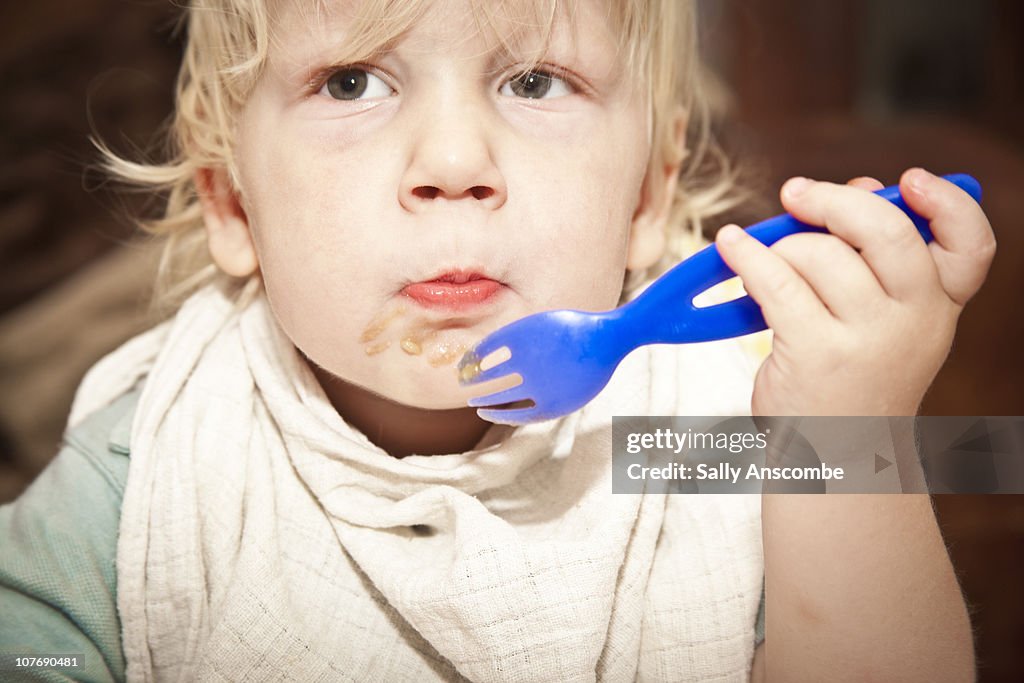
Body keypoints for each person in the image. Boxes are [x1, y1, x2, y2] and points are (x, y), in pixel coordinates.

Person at [0, 0, 992, 681]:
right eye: (349, 82)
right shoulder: (147, 476)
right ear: (232, 205)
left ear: (647, 194)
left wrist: (844, 423)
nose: (454, 159)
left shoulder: (694, 435)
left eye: (534, 81)